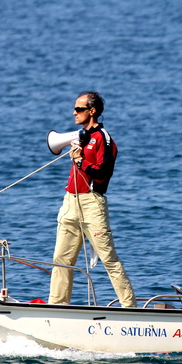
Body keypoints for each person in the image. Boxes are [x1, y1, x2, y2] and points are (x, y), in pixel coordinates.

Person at [48, 91, 137, 307]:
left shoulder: (103, 139)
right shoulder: (82, 136)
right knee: (61, 260)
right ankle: (57, 306)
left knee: (109, 259)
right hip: (70, 202)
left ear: (92, 111)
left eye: (79, 109)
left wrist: (80, 162)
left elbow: (103, 172)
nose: (74, 113)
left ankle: (129, 306)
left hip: (91, 204)